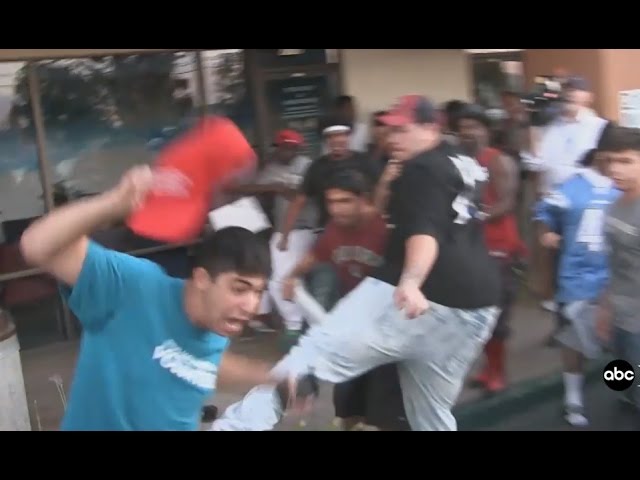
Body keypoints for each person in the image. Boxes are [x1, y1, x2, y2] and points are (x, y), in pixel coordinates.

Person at [213, 95, 502, 432]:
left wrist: (411, 280)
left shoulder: (420, 168)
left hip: (416, 296)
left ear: (431, 127)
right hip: (475, 308)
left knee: (308, 357)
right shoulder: (462, 160)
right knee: (430, 415)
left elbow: (424, 232)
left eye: (403, 130)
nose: (393, 138)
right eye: (390, 130)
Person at [20, 166, 275, 431]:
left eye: (259, 292)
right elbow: (37, 244)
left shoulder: (216, 325)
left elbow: (197, 363)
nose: (251, 306)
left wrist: (269, 376)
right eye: (239, 289)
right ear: (202, 279)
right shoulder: (133, 286)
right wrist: (113, 204)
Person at [281, 169, 408, 431]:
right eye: (331, 202)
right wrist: (291, 276)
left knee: (383, 412)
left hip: (389, 332)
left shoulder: (387, 231)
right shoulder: (334, 229)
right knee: (347, 404)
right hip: (353, 327)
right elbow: (316, 255)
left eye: (345, 201)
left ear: (364, 199)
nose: (336, 209)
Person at [535, 123, 619, 427]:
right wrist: (546, 233)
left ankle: (624, 389)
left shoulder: (626, 186)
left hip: (620, 279)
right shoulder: (572, 187)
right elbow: (543, 212)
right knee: (574, 341)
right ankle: (574, 399)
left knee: (621, 343)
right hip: (577, 278)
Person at [456, 103, 523, 393]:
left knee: (497, 315)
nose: (467, 133)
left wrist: (476, 217)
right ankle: (488, 368)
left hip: (499, 247)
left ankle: (498, 373)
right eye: (462, 128)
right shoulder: (460, 161)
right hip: (472, 246)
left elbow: (507, 201)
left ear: (486, 130)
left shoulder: (498, 160)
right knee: (477, 312)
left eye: (473, 127)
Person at [227, 129, 318, 340]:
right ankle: (295, 323)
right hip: (284, 231)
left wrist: (279, 188)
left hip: (306, 228)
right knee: (279, 277)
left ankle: (296, 324)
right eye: (284, 147)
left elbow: (299, 196)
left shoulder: (308, 166)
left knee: (283, 279)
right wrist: (268, 186)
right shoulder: (273, 167)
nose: (288, 151)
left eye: (293, 147)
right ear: (277, 148)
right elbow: (256, 187)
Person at [532, 76, 609, 314]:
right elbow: (539, 163)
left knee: (587, 253)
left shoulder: (600, 127)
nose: (572, 94)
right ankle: (562, 308)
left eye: (578, 90)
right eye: (568, 90)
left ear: (589, 97)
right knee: (555, 254)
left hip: (587, 203)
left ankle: (593, 307)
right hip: (554, 202)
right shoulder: (550, 127)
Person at [277, 116, 381, 253]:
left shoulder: (365, 162)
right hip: (328, 232)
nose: (337, 140)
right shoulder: (317, 167)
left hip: (363, 229)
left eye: (341, 135)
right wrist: (285, 236)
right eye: (332, 137)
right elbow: (299, 201)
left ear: (348, 137)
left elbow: (380, 192)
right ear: (326, 140)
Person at [597, 126, 640, 423]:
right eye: (611, 160)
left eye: (626, 161)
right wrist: (606, 306)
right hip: (621, 314)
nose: (615, 169)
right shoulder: (615, 205)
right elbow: (615, 262)